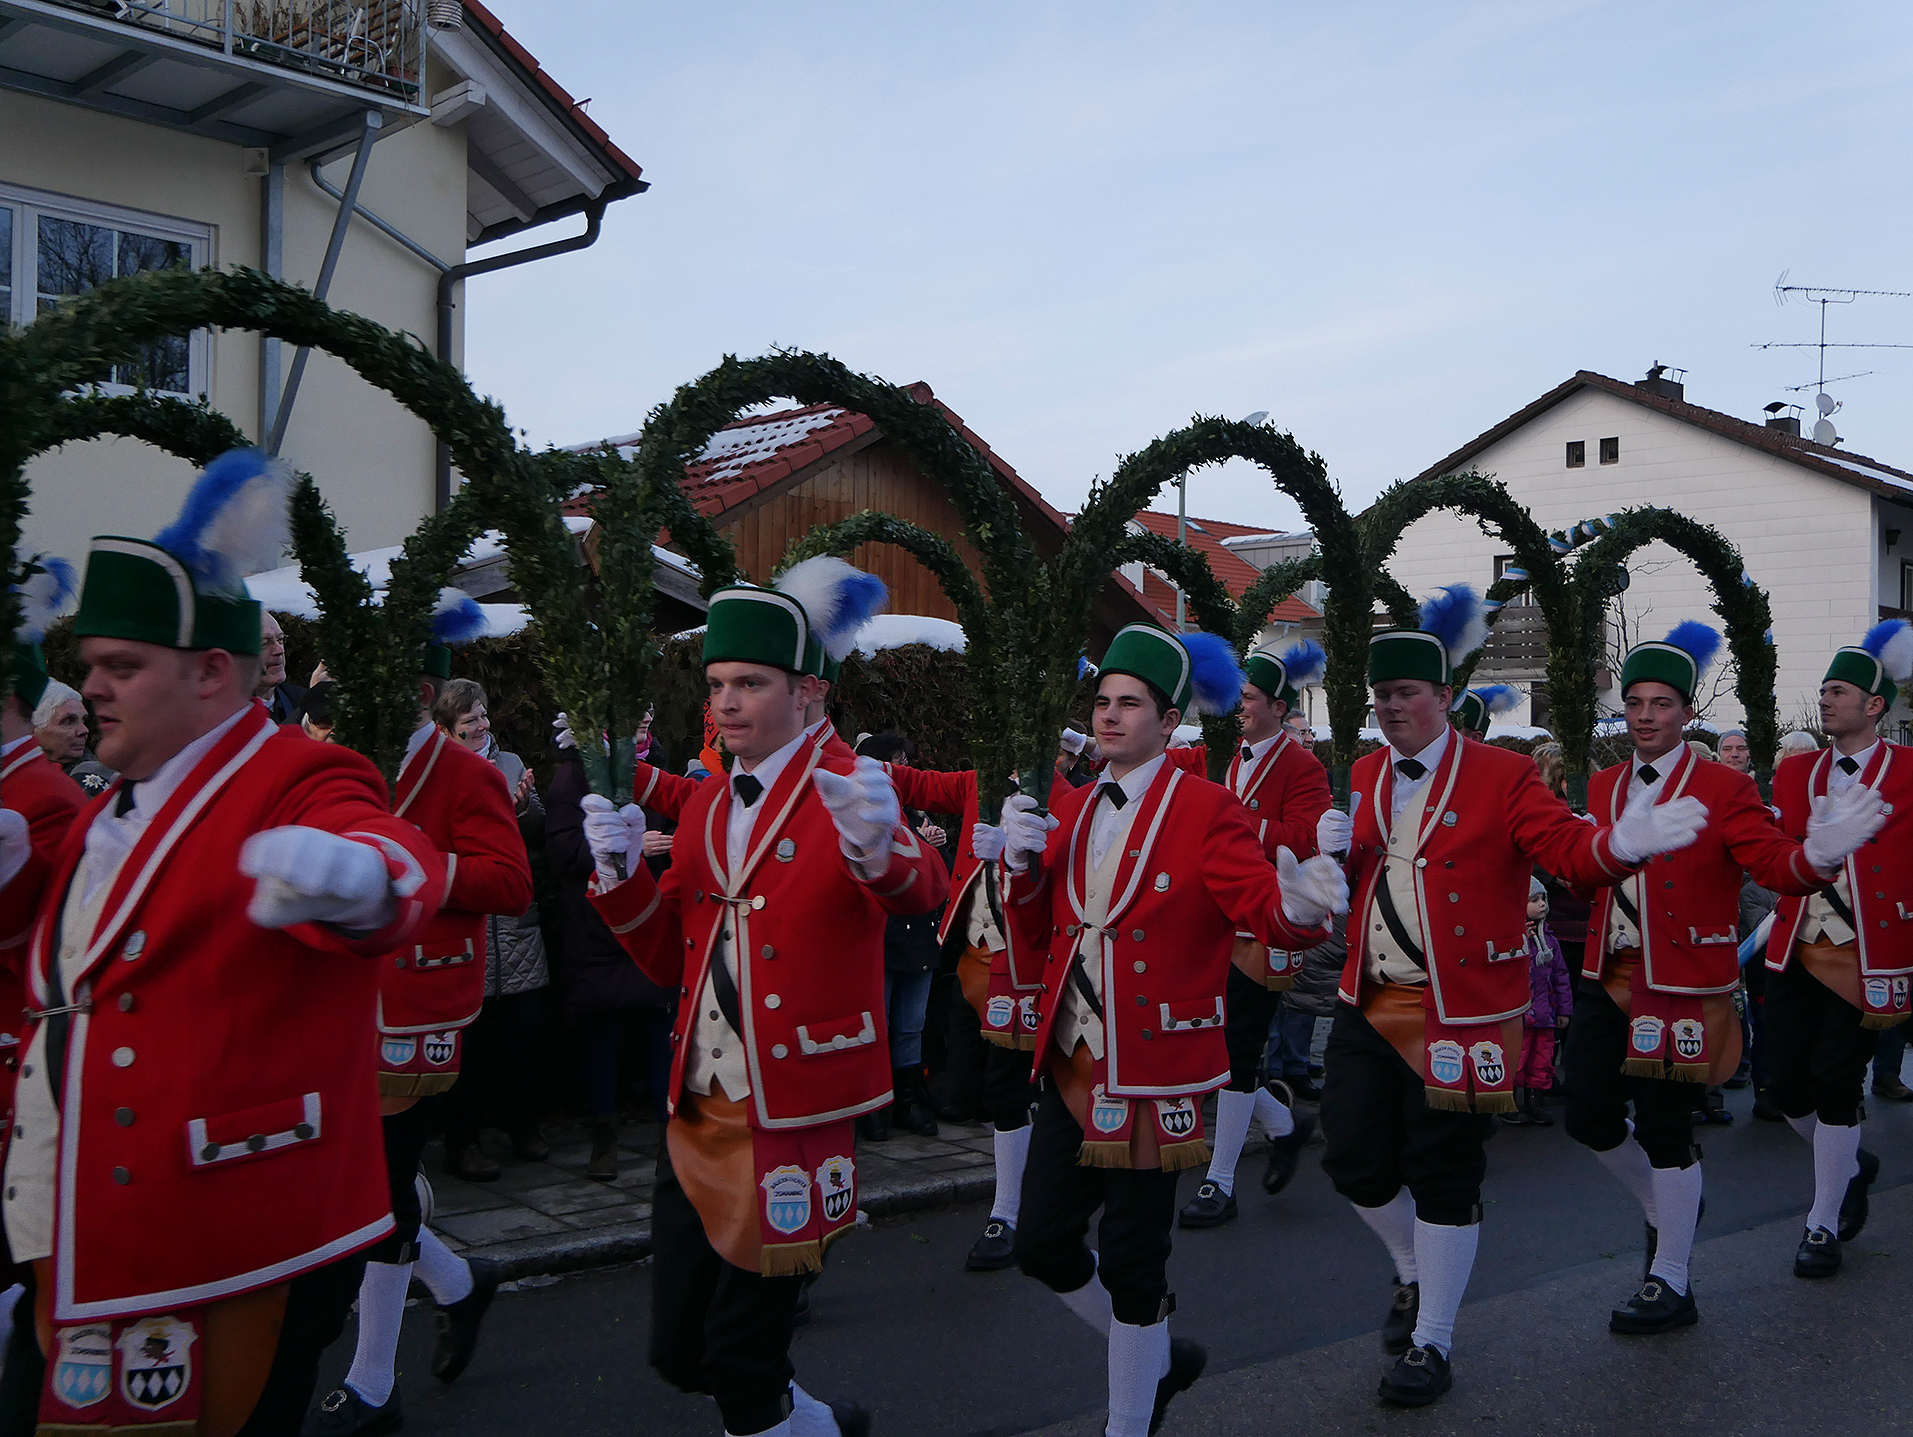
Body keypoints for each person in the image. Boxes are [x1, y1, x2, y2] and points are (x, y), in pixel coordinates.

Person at [0, 452, 446, 1437]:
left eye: (122, 667)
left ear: (209, 673)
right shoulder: (107, 803)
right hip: (82, 1219)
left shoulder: (292, 774)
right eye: (90, 666)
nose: (91, 688)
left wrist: (363, 882)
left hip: (227, 1241)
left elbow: (386, 850)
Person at [582, 557, 947, 1437]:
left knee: (738, 1362)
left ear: (808, 691)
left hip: (794, 1108)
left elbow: (921, 886)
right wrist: (621, 874)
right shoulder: (710, 802)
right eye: (716, 685)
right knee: (680, 1354)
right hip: (697, 1107)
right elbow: (671, 955)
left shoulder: (848, 782)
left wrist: (877, 846)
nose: (725, 703)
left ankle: (784, 1415)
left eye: (749, 682)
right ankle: (814, 1422)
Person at [1315, 584, 1705, 1408]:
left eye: (1406, 692)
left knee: (1443, 1169)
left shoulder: (1503, 772)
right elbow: (1372, 875)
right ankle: (1412, 1268)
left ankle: (1432, 1340)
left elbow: (1565, 850)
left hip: (1463, 1004)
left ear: (1442, 696)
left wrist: (1620, 843)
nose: (1390, 707)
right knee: (1350, 1158)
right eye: (1381, 694)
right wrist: (1318, 864)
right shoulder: (1362, 771)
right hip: (1368, 996)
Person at [984, 622, 1345, 1437]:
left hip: (1155, 1064)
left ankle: (1128, 1417)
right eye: (1102, 702)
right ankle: (1155, 1360)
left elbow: (1258, 908)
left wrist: (1297, 907)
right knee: (1042, 1244)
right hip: (1072, 1059)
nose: (1109, 716)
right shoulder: (1073, 805)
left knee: (1135, 1257)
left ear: (1169, 718)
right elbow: (1039, 933)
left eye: (1129, 704)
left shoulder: (1207, 808)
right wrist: (1019, 869)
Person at [1565, 621, 1861, 1333]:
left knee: (1666, 1125)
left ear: (1686, 712)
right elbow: (1584, 871)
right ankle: (1665, 1203)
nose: (1645, 716)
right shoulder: (1603, 784)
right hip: (1607, 970)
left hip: (1682, 979)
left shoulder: (1724, 787)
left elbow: (1772, 865)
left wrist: (1817, 856)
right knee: (1588, 1115)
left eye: (1661, 703)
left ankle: (1671, 1277)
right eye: (1635, 702)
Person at [311, 599, 534, 1436]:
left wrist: (415, 865)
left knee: (379, 1185)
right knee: (371, 1178)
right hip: (339, 996)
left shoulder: (465, 773)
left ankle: (372, 1380)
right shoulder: (336, 761)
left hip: (417, 1004)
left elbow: (508, 882)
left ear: (416, 689)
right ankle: (460, 1284)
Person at [1763, 620, 1913, 1279]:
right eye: (1822, 690)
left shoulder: (1909, 771)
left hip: (1871, 951)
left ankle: (1821, 1222)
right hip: (1797, 944)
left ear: (1874, 705)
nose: (1824, 699)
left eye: (1838, 691)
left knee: (1834, 1079)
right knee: (1781, 1081)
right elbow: (1775, 851)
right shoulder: (1794, 772)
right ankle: (1850, 1165)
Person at [1164, 638, 1331, 1230]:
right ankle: (1285, 1126)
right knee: (1215, 1043)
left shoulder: (1302, 766)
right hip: (1215, 921)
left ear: (1279, 709)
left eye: (1250, 698)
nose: (1239, 706)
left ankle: (1221, 1181)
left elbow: (1306, 839)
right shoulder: (1226, 755)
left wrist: (1237, 824)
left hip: (1265, 923)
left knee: (1236, 1049)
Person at [546, 730, 678, 1180]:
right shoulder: (573, 774)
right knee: (600, 1033)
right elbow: (562, 848)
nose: (643, 721)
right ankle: (604, 1140)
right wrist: (622, 848)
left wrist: (669, 846)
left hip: (653, 914)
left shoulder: (657, 768)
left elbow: (683, 829)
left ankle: (670, 1139)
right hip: (596, 923)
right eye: (634, 712)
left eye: (648, 712)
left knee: (664, 1033)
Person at [436, 678, 553, 1181]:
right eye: (470, 721)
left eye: (483, 715)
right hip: (471, 927)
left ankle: (523, 1126)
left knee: (526, 1037)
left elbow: (538, 829)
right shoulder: (437, 772)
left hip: (518, 929)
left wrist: (523, 807)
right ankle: (464, 1142)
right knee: (471, 1047)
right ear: (447, 729)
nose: (482, 726)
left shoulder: (509, 763)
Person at [854, 732, 947, 1142]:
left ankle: (908, 1098)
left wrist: (935, 846)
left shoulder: (915, 811)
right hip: (884, 935)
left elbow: (937, 879)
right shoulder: (863, 812)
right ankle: (874, 1103)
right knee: (880, 1021)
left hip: (920, 934)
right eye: (896, 761)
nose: (904, 770)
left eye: (905, 762)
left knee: (912, 1024)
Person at [1500, 878, 1569, 1128]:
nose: (1542, 904)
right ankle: (1507, 1102)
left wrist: (1564, 1010)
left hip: (1545, 1014)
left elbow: (1560, 976)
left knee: (1541, 1061)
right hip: (1519, 1017)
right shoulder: (1509, 939)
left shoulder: (1549, 941)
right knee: (1515, 1060)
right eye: (1534, 900)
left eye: (1543, 899)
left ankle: (1534, 1103)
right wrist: (1519, 939)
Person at [256, 609, 305, 725]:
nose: (280, 650)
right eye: (265, 643)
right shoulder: (222, 716)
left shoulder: (301, 700)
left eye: (280, 640)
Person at [28, 681, 86, 771]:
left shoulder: (97, 775)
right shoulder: (11, 774)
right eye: (68, 721)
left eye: (83, 720)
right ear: (32, 729)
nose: (84, 730)